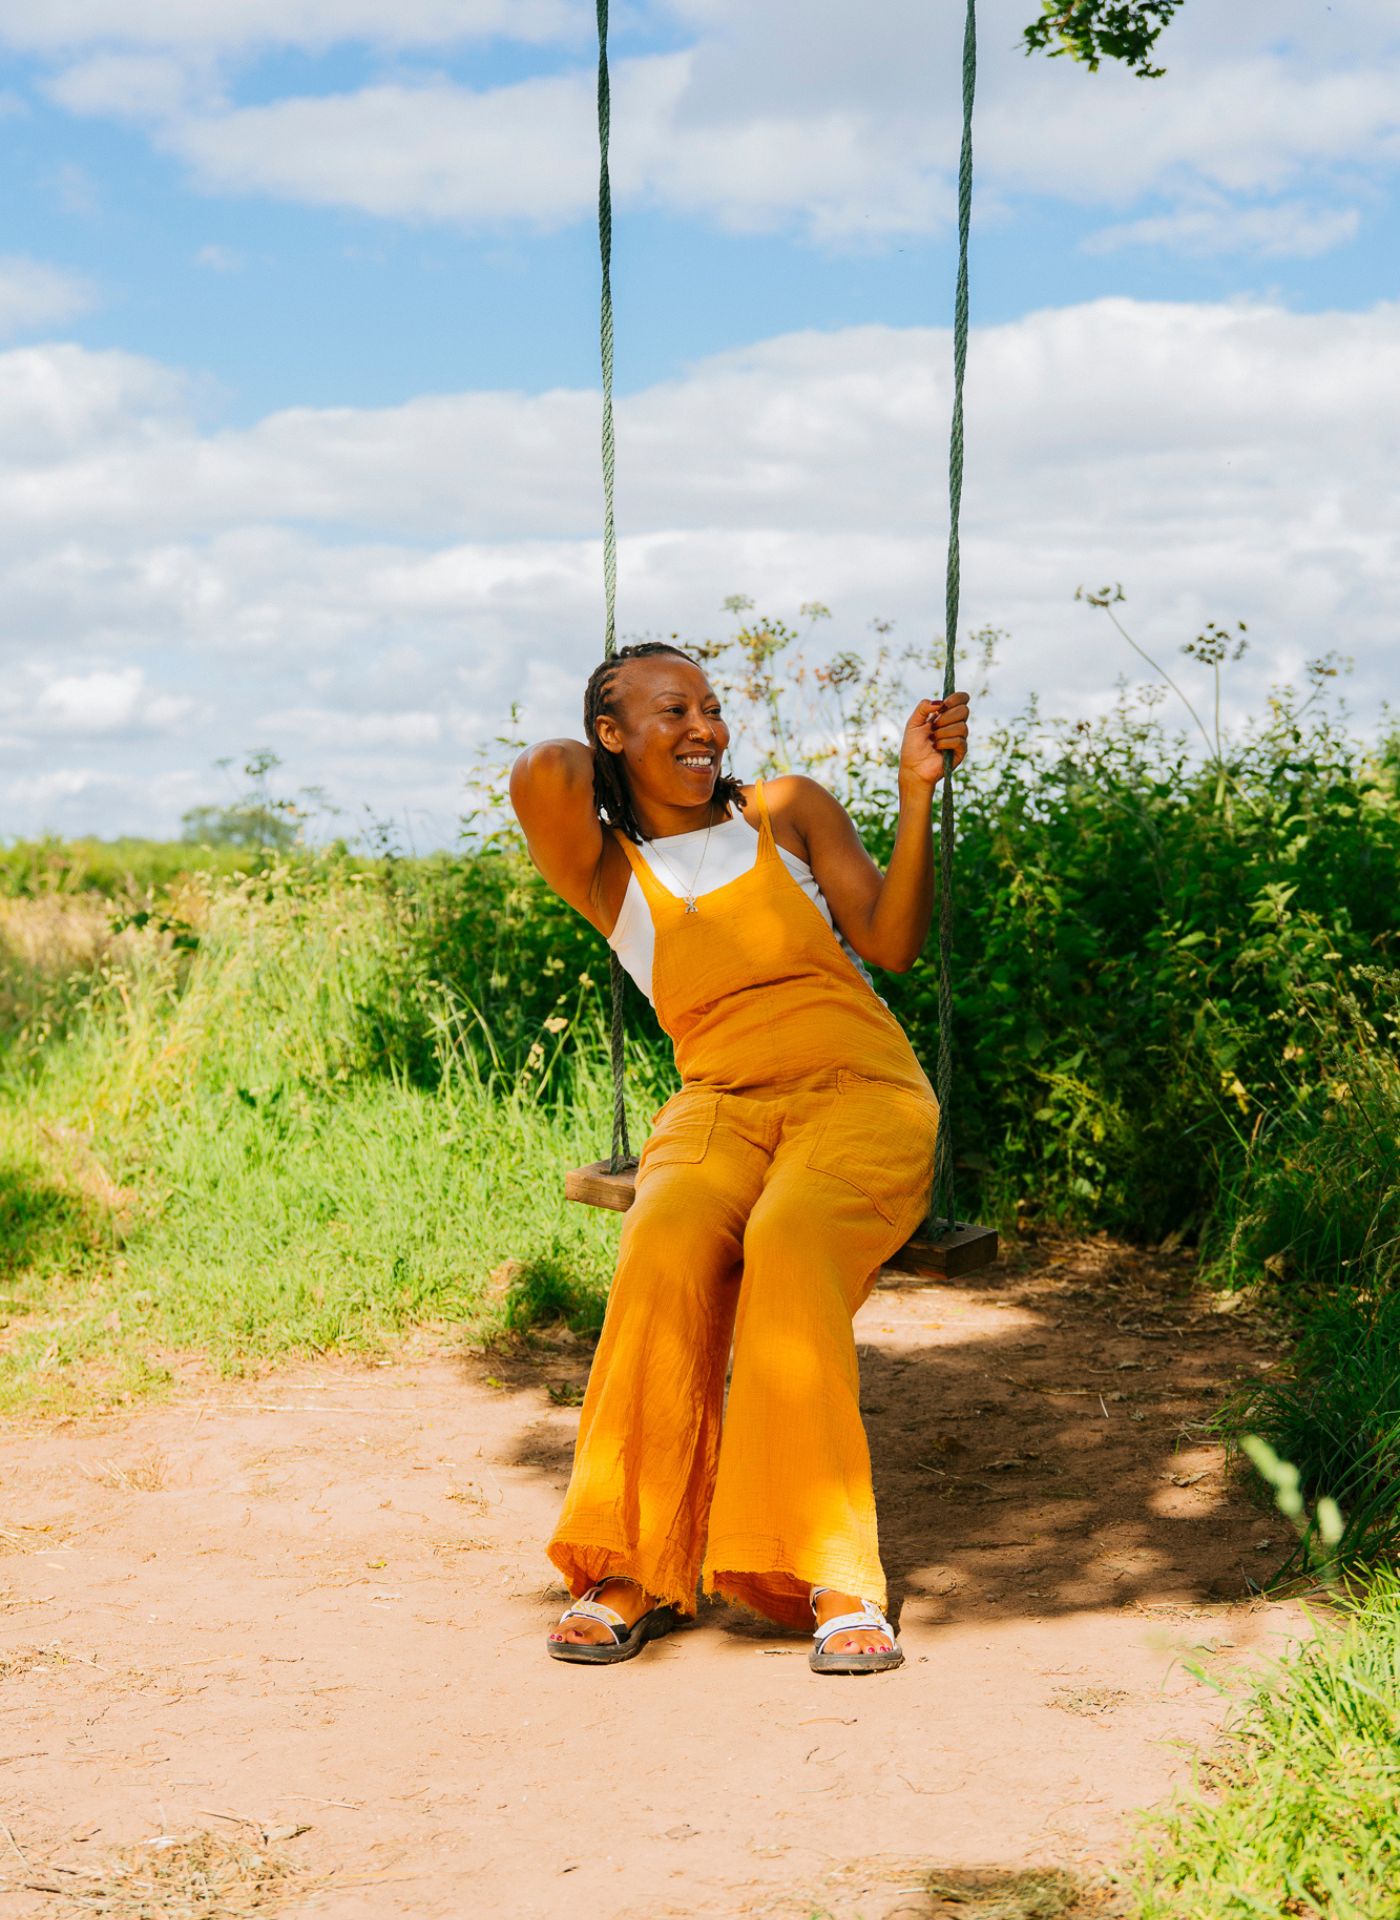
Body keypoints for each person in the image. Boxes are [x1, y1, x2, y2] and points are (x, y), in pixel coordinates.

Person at [509, 641, 970, 1674]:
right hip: (718, 1102)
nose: (705, 728)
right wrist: (617, 755)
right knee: (661, 1240)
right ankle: (632, 1564)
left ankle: (833, 1573)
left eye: (712, 709)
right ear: (611, 736)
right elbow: (545, 774)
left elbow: (892, 945)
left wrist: (911, 792)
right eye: (672, 711)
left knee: (788, 1241)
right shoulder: (604, 869)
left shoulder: (783, 810)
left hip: (857, 1092)